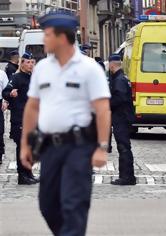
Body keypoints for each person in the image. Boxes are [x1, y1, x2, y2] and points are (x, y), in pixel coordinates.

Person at [20, 10, 111, 235]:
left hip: (79, 147)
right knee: (47, 205)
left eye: (47, 34)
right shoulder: (42, 68)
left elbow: (102, 109)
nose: (44, 40)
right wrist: (25, 145)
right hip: (50, 146)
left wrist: (101, 147)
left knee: (73, 204)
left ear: (62, 37)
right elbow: (32, 107)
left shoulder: (89, 68)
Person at [2, 52, 37, 184]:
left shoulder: (33, 77)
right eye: (27, 62)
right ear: (22, 63)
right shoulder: (16, 78)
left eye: (32, 62)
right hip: (20, 118)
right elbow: (5, 92)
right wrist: (11, 94)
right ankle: (22, 175)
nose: (30, 65)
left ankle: (29, 173)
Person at [108, 54, 136, 186]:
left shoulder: (119, 80)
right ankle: (126, 176)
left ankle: (127, 177)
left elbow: (120, 99)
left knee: (123, 147)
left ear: (112, 65)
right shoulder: (121, 78)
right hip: (122, 117)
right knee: (124, 147)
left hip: (121, 118)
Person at [0, 70, 8, 165]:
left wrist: (6, 101)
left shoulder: (1, 73)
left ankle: (0, 153)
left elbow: (6, 89)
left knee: (0, 130)